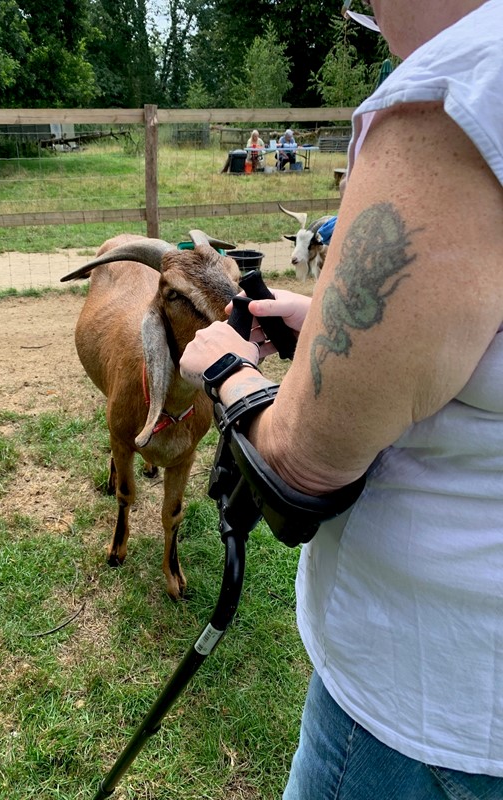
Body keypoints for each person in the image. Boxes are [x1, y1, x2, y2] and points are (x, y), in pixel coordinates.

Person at [180, 0, 503, 797]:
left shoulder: (462, 90)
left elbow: (302, 467)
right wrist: (330, 327)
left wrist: (227, 369)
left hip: (435, 707)